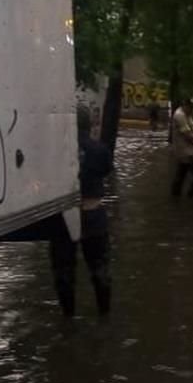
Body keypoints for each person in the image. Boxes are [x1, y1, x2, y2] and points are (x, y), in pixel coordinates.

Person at [50, 105, 113, 316]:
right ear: (89, 124)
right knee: (99, 268)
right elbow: (106, 170)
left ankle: (68, 317)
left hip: (62, 216)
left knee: (64, 272)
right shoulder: (100, 150)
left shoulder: (57, 150)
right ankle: (104, 314)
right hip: (93, 213)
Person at [171, 97, 193, 197]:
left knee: (182, 173)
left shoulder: (187, 114)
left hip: (189, 150)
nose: (191, 109)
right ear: (184, 106)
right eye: (190, 107)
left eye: (192, 107)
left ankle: (176, 195)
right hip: (186, 150)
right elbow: (187, 134)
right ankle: (192, 195)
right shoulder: (180, 115)